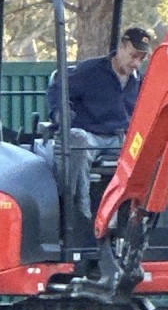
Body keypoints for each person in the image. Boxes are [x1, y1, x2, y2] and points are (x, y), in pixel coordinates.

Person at [46, 27, 152, 218]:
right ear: (121, 46)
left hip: (120, 139)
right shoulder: (90, 71)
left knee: (150, 151)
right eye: (133, 55)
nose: (136, 63)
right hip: (90, 137)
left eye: (141, 58)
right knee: (76, 139)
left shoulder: (141, 82)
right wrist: (59, 113)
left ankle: (136, 215)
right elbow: (57, 90)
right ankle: (78, 212)